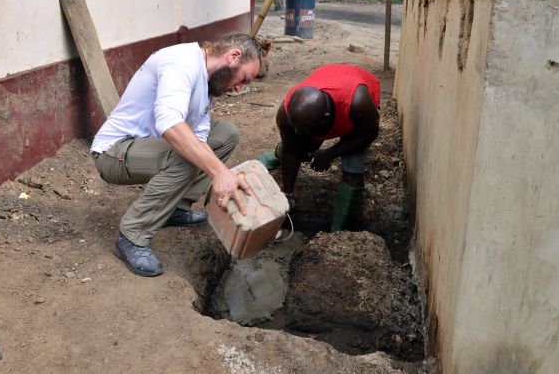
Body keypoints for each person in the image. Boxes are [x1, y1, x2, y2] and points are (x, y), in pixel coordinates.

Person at [90, 33, 262, 277]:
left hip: (148, 147)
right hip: (114, 151)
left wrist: (216, 168)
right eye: (243, 78)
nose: (238, 88)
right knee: (186, 154)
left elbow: (200, 137)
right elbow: (169, 124)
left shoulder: (207, 82)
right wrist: (219, 172)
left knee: (226, 134)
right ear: (233, 56)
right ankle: (132, 235)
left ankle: (174, 207)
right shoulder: (181, 62)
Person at [258, 64, 380, 232]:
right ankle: (272, 156)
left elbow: (369, 134)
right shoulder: (287, 115)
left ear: (325, 119)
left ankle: (338, 233)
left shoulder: (358, 105)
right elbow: (291, 150)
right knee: (298, 148)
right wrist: (287, 193)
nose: (297, 132)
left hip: (353, 98)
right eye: (296, 128)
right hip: (327, 83)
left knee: (352, 169)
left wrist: (329, 154)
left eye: (304, 129)